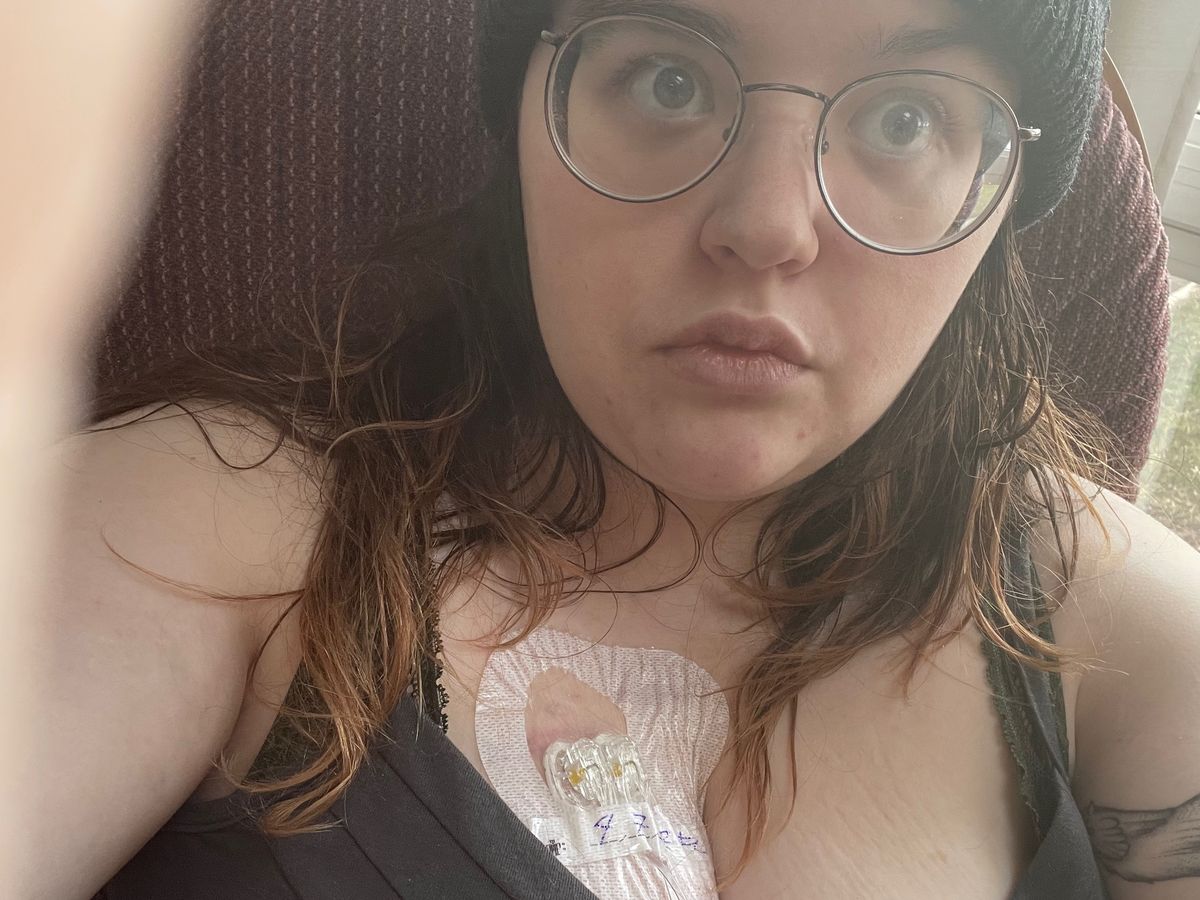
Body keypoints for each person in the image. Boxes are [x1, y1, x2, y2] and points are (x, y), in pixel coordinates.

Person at [7, 0, 1200, 897]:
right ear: (528, 116)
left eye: (905, 119)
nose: (766, 226)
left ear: (1000, 196)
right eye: (668, 81)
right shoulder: (207, 529)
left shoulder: (1109, 620)